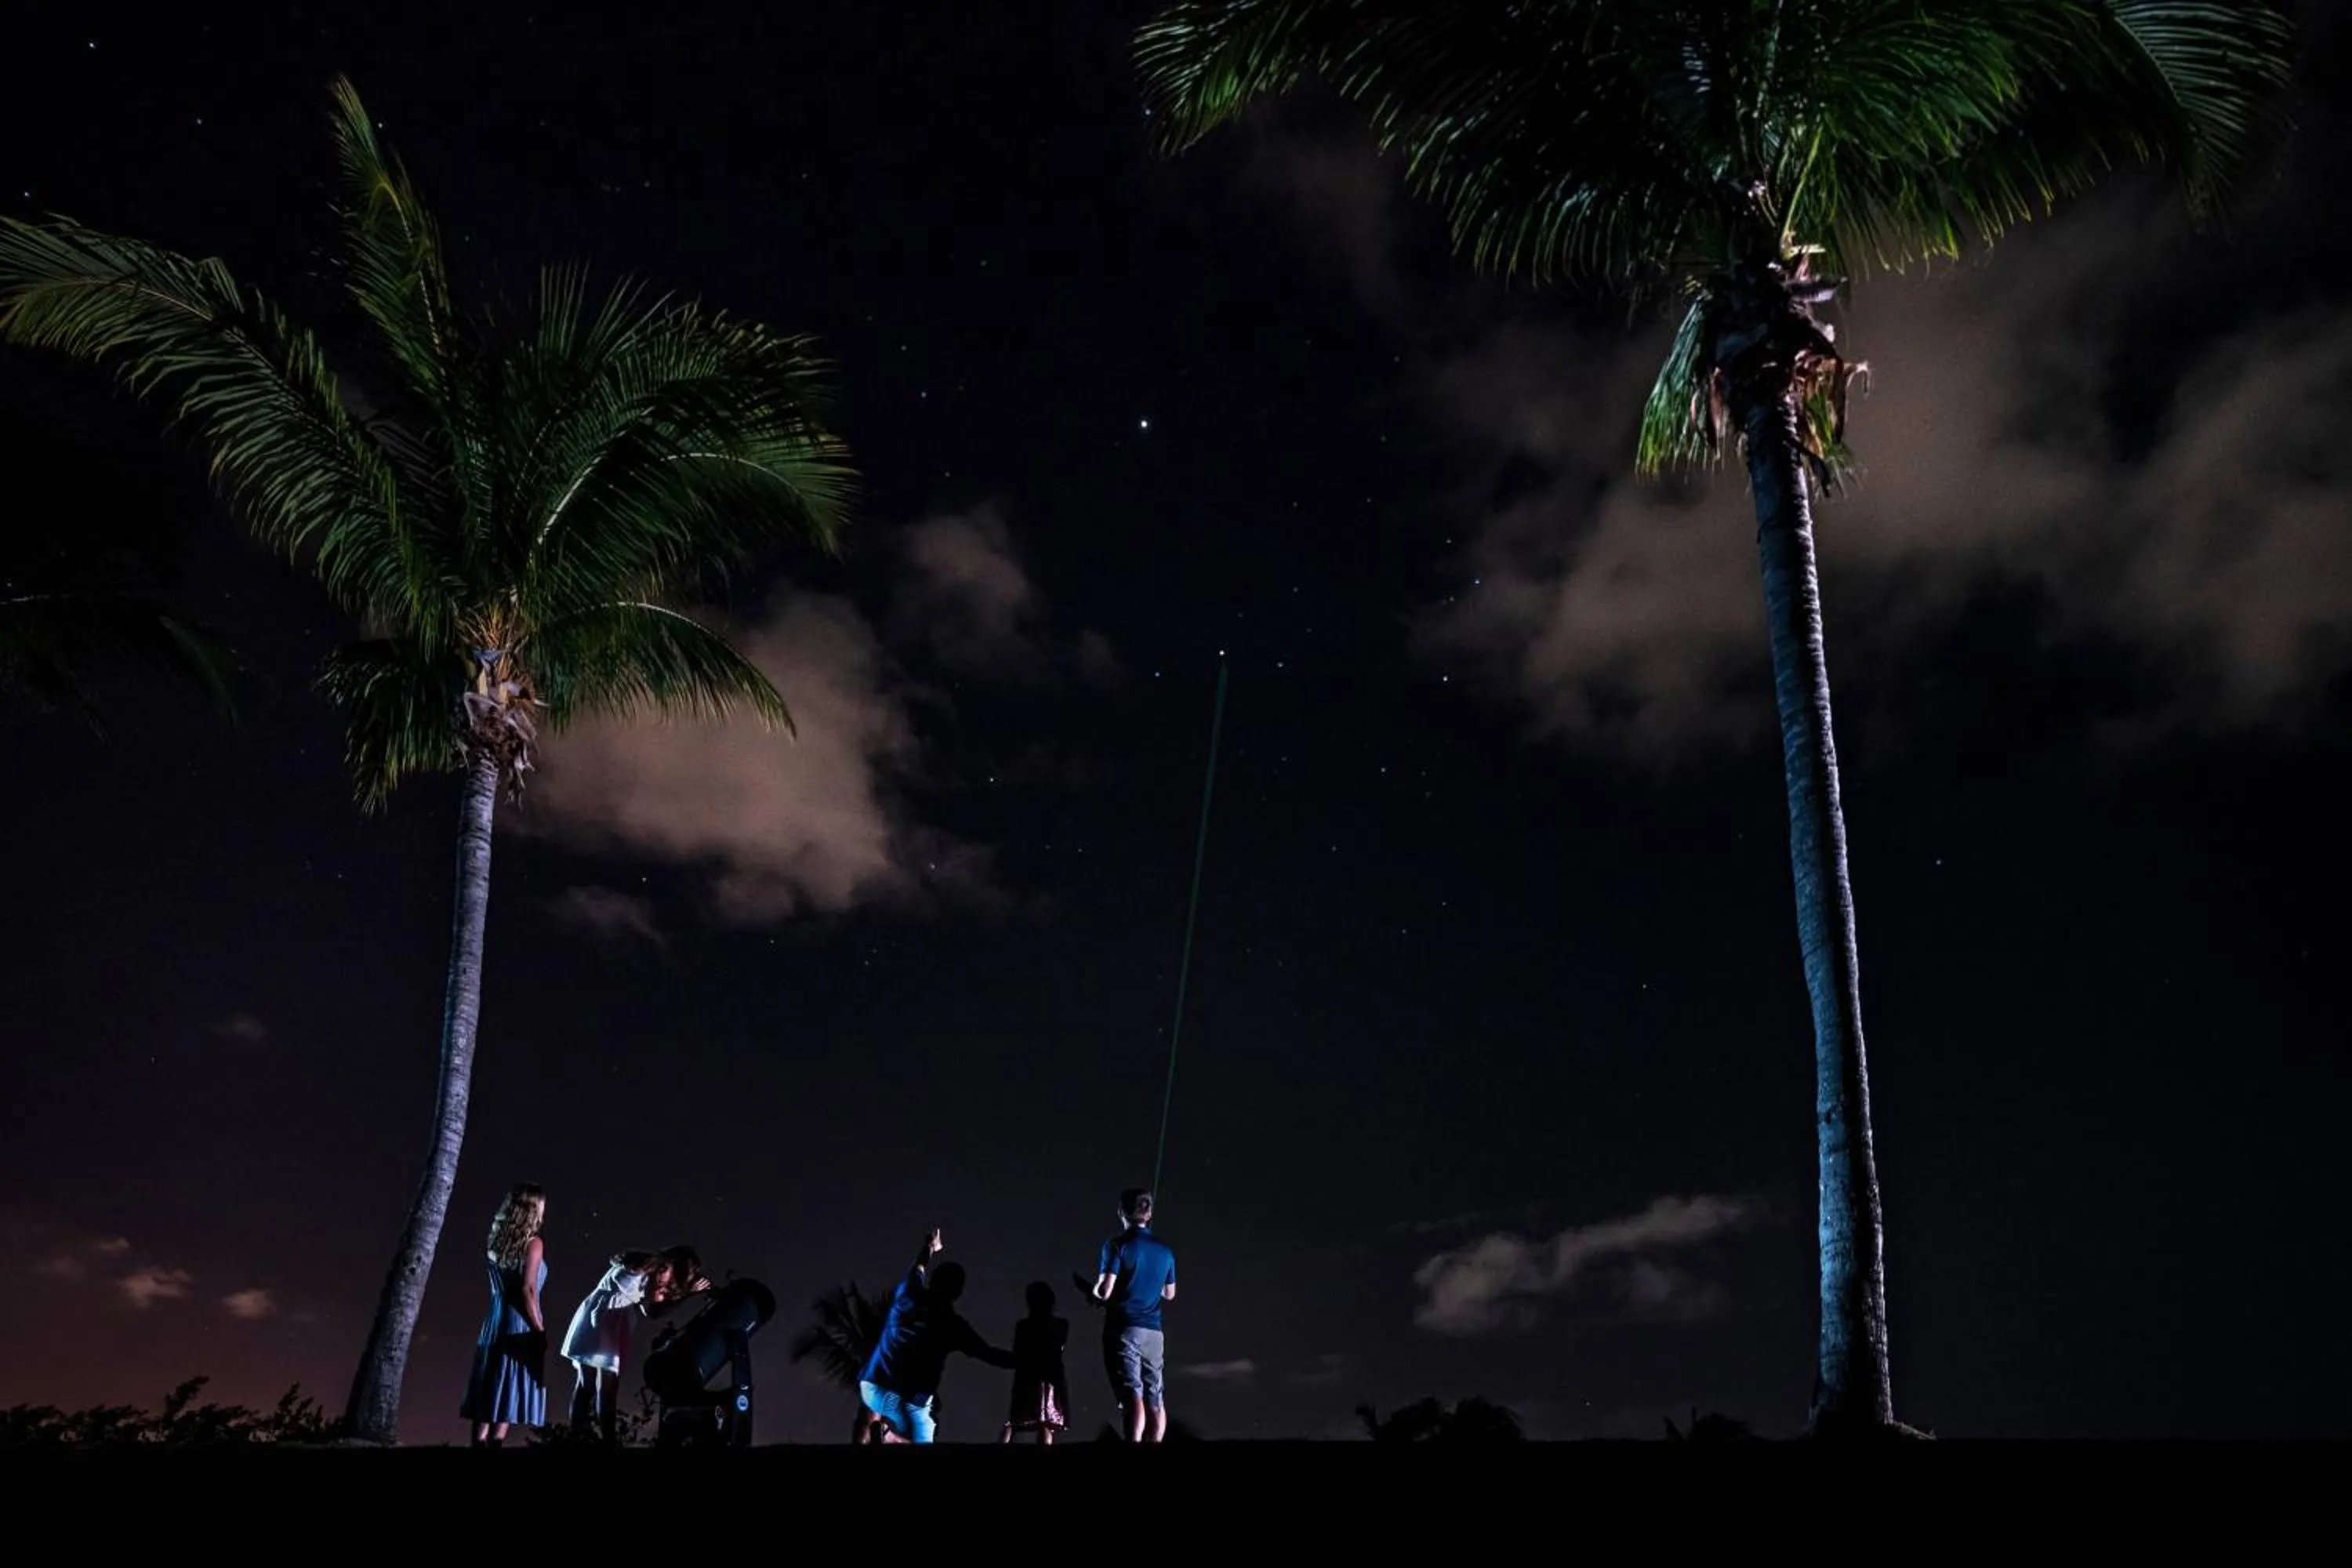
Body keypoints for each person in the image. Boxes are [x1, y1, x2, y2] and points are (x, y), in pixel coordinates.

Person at [856, 1229, 1016, 1443]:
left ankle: (887, 1436)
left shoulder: (909, 1292)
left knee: (912, 1407)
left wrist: (931, 1247)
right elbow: (989, 1354)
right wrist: (1026, 1361)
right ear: (958, 1292)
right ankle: (889, 1438)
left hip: (871, 1387)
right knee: (923, 1438)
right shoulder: (952, 1324)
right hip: (909, 1400)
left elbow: (919, 1265)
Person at [559, 1248, 708, 1443]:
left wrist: (687, 1294)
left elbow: (653, 1311)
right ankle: (600, 1440)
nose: (668, 1280)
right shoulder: (648, 1266)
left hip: (608, 1317)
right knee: (599, 1384)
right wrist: (687, 1294)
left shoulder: (654, 1272)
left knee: (593, 1383)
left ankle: (580, 1437)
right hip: (602, 1316)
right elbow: (650, 1307)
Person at [461, 1182, 549, 1446]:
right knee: (507, 1387)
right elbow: (528, 1290)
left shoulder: (495, 1240)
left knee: (490, 1386)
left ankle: (478, 1445)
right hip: (518, 1323)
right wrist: (539, 1328)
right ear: (532, 1210)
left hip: (493, 1321)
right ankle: (496, 1443)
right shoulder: (533, 1244)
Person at [1091, 1188, 1177, 1443]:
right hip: (1154, 1331)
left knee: (1132, 1392)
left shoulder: (1117, 1245)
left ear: (1121, 1212)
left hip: (1125, 1328)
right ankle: (1155, 1443)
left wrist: (1094, 1290)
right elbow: (1170, 1294)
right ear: (1149, 1214)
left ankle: (1134, 1445)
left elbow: (1105, 1290)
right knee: (1155, 1392)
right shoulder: (1166, 1251)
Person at [1001, 1280, 1070, 1445]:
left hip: (1028, 1375)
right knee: (1046, 1422)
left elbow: (1018, 1352)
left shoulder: (1024, 1326)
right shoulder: (1061, 1325)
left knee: (1017, 1419)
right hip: (1049, 1376)